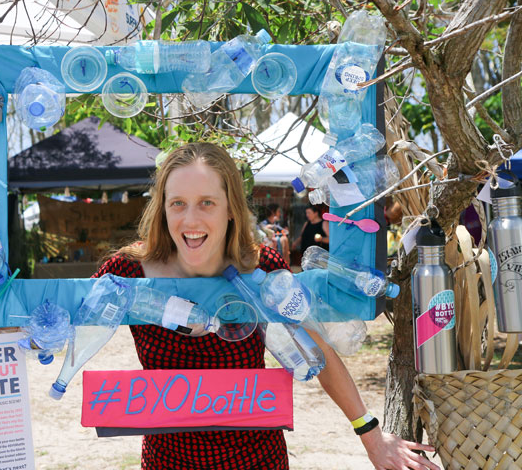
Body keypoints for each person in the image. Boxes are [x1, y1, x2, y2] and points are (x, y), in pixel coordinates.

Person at [92, 143, 438, 470]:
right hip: (167, 462)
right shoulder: (126, 270)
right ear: (162, 208)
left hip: (257, 459)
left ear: (230, 209)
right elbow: (62, 323)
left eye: (207, 203)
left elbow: (315, 347)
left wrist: (372, 436)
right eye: (177, 203)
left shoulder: (261, 267)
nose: (191, 220)